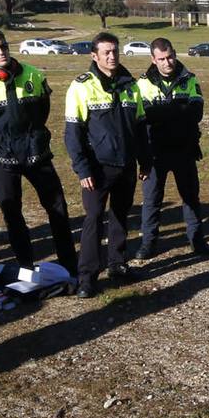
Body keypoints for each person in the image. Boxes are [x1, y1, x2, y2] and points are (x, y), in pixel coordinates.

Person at [0, 27, 77, 275]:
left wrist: (33, 136)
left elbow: (43, 110)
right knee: (12, 212)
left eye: (3, 46)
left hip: (35, 151)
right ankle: (25, 266)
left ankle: (70, 262)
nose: (1, 51)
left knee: (57, 207)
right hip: (3, 157)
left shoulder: (33, 74)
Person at [63, 31, 149, 298]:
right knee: (93, 220)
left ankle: (117, 263)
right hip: (97, 169)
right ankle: (87, 276)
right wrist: (82, 169)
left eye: (115, 51)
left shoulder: (130, 85)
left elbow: (141, 127)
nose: (112, 56)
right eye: (106, 52)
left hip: (126, 165)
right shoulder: (81, 86)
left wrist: (145, 161)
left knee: (120, 216)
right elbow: (73, 134)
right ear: (94, 55)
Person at [135, 37, 209, 258]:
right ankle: (148, 244)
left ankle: (198, 242)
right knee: (152, 201)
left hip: (184, 149)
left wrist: (163, 112)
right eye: (161, 59)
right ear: (153, 59)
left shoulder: (190, 79)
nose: (167, 63)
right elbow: (144, 116)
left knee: (191, 198)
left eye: (170, 57)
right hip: (154, 152)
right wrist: (179, 109)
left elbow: (196, 113)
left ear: (175, 53)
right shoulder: (142, 83)